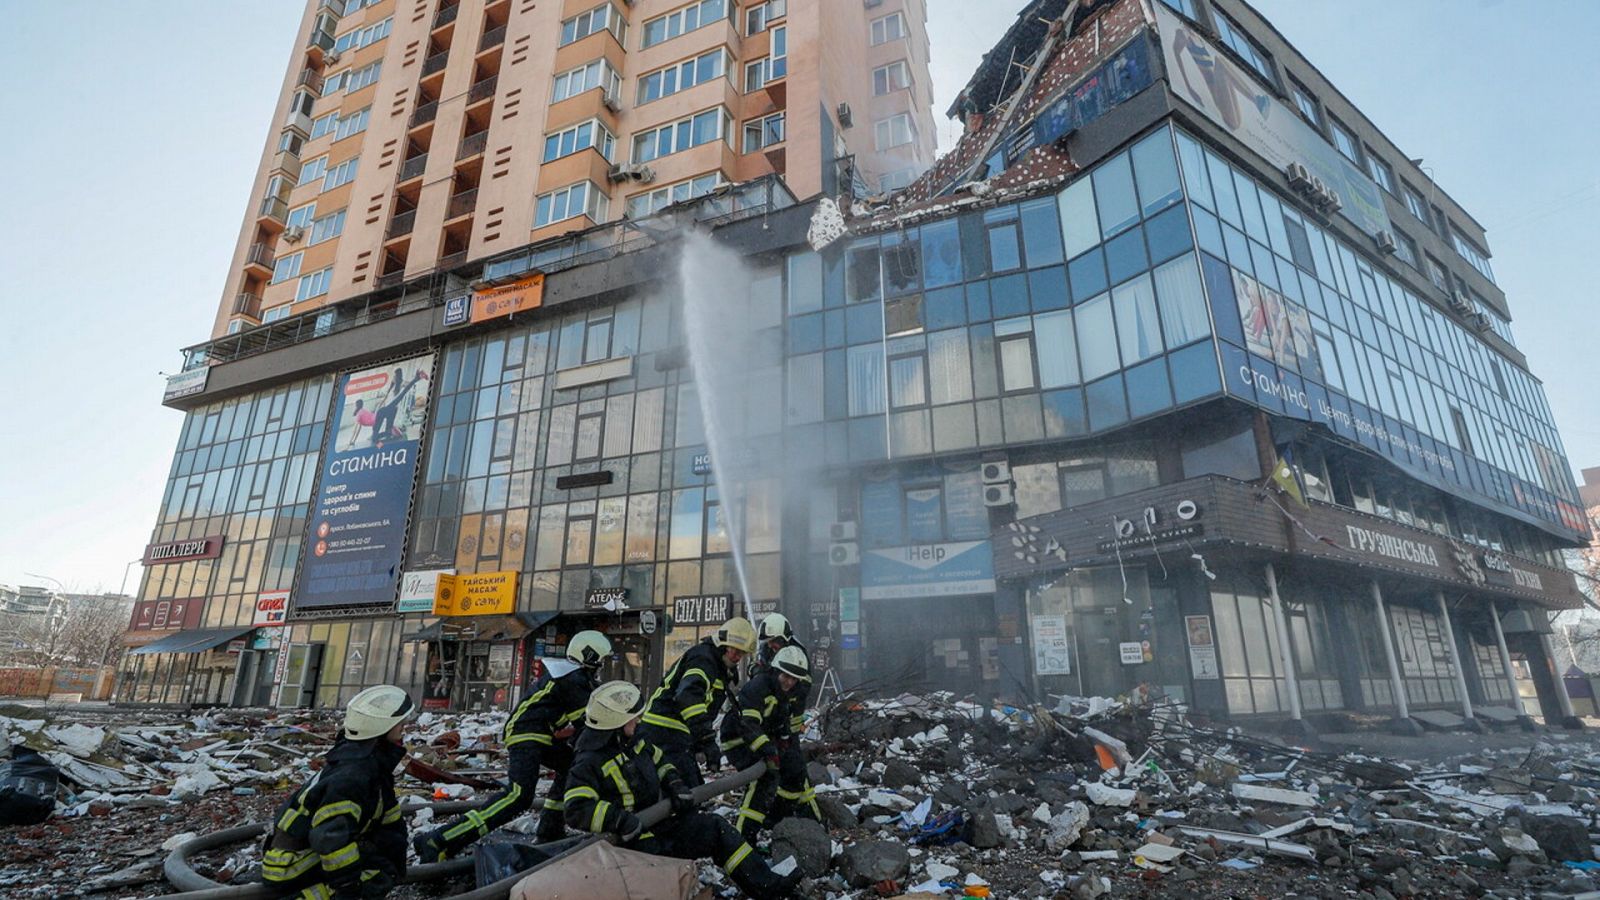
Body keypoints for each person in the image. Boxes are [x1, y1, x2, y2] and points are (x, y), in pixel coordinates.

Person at [564, 682, 799, 899]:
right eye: (633, 718)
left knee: (716, 829)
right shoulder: (588, 761)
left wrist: (674, 783)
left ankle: (767, 887)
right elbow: (576, 809)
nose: (639, 720)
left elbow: (660, 761)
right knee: (664, 876)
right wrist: (620, 821)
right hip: (628, 844)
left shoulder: (634, 741)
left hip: (659, 824)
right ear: (616, 722)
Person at [414, 631, 612, 860]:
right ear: (590, 657)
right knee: (519, 796)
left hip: (539, 734)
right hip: (526, 734)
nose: (601, 667)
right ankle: (440, 839)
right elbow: (588, 726)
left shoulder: (569, 675)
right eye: (600, 660)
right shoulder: (574, 679)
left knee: (569, 767)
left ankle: (550, 830)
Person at [261, 685, 415, 900]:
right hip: (290, 864)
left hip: (298, 854)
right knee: (375, 876)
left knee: (382, 865)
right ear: (381, 728)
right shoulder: (354, 775)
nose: (404, 727)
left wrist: (395, 856)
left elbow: (388, 819)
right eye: (399, 723)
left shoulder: (370, 764)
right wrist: (349, 886)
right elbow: (329, 837)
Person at [637, 617, 757, 787]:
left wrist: (701, 743)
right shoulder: (704, 660)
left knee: (688, 788)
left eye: (742, 653)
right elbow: (688, 697)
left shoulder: (716, 664)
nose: (738, 657)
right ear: (723, 644)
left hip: (674, 734)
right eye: (736, 651)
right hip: (664, 731)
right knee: (686, 790)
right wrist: (706, 739)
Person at [722, 645, 821, 841]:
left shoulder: (791, 692)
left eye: (794, 678)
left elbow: (786, 723)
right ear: (776, 671)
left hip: (766, 739)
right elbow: (748, 725)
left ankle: (777, 820)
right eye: (786, 676)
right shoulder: (757, 687)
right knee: (764, 779)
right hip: (738, 740)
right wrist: (769, 752)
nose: (789, 682)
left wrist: (786, 745)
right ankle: (743, 839)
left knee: (795, 768)